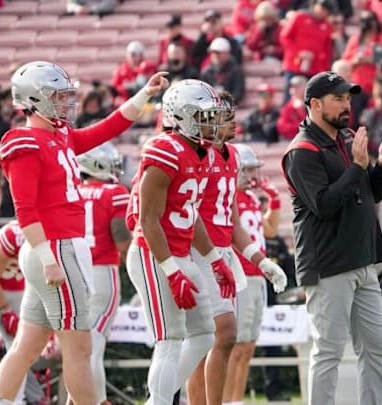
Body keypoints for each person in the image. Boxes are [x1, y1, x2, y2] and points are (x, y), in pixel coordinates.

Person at [0, 62, 166, 405]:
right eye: (56, 96)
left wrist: (144, 94)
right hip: (55, 249)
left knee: (28, 344)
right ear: (34, 99)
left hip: (61, 248)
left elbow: (108, 128)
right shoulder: (24, 141)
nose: (63, 103)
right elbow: (25, 209)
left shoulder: (60, 136)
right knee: (80, 347)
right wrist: (48, 258)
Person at [281, 71, 382, 405]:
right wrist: (357, 166)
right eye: (338, 98)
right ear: (315, 104)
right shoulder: (302, 151)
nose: (346, 105)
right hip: (328, 265)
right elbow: (323, 205)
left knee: (377, 347)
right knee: (329, 351)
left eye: (348, 98)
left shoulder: (347, 138)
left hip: (362, 259)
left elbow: (370, 193)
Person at [125, 79, 237, 405]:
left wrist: (215, 259)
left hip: (180, 250)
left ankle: (157, 400)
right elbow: (147, 221)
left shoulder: (200, 152)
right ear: (184, 116)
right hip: (153, 252)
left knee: (203, 333)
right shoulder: (165, 149)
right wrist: (172, 271)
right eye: (205, 116)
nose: (213, 123)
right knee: (170, 338)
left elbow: (190, 213)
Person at [186, 92, 286, 405]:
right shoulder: (194, 154)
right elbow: (187, 215)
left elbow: (231, 222)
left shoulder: (229, 157)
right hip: (196, 254)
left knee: (223, 339)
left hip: (224, 257)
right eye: (223, 116)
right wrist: (214, 257)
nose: (231, 123)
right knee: (198, 343)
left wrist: (261, 259)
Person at [223, 144, 288, 405]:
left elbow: (269, 230)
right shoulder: (229, 198)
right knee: (235, 347)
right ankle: (226, 400)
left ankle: (236, 400)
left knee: (248, 346)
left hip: (258, 275)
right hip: (241, 274)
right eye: (247, 170)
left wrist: (274, 201)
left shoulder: (249, 198)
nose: (252, 176)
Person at [76, 142, 132, 405]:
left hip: (72, 273)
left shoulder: (72, 192)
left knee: (78, 346)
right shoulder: (113, 192)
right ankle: (97, 401)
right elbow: (121, 238)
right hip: (100, 272)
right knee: (93, 345)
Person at [0, 221, 28, 404]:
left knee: (20, 348)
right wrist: (5, 309)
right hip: (2, 286)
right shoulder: (15, 233)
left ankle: (13, 400)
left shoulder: (52, 231)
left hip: (20, 290)